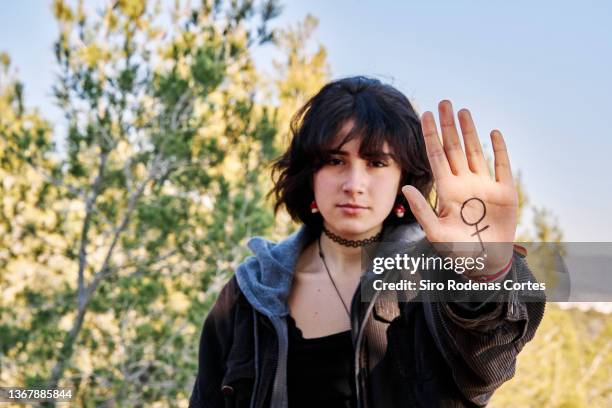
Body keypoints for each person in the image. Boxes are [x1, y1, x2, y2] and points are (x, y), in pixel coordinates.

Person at [188, 76, 545, 408]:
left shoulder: (434, 276)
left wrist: (487, 274)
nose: (354, 183)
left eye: (376, 162)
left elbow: (488, 360)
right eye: (334, 160)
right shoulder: (250, 292)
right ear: (309, 172)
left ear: (404, 175)